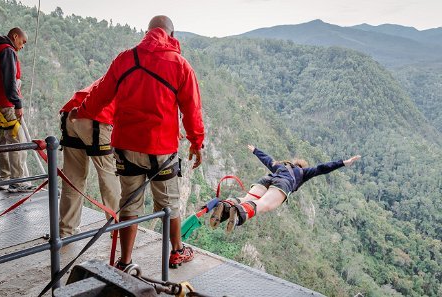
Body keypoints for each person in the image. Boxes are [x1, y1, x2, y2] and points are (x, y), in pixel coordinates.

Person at [71, 15, 205, 269]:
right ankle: (176, 251)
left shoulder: (125, 59)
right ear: (171, 36)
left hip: (126, 148)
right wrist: (196, 143)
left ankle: (125, 261)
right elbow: (191, 108)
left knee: (129, 203)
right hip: (161, 150)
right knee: (169, 205)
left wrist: (83, 110)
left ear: (147, 32)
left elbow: (101, 94)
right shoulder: (180, 64)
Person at [210, 145, 361, 233]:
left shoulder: (281, 165)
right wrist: (344, 163)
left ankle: (226, 205)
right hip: (282, 184)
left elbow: (267, 159)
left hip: (267, 178)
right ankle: (237, 213)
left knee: (246, 199)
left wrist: (255, 150)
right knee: (262, 205)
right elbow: (322, 168)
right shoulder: (303, 172)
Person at [58, 79, 121, 237]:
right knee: (108, 175)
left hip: (69, 115)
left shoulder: (118, 72)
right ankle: (117, 229)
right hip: (95, 119)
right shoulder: (140, 82)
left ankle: (67, 230)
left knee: (73, 178)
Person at [0, 27, 36, 193]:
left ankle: (4, 179)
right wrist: (18, 104)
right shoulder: (8, 51)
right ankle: (17, 181)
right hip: (4, 104)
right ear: (15, 37)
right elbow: (9, 81)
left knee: (2, 141)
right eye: (23, 41)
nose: (23, 46)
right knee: (16, 141)